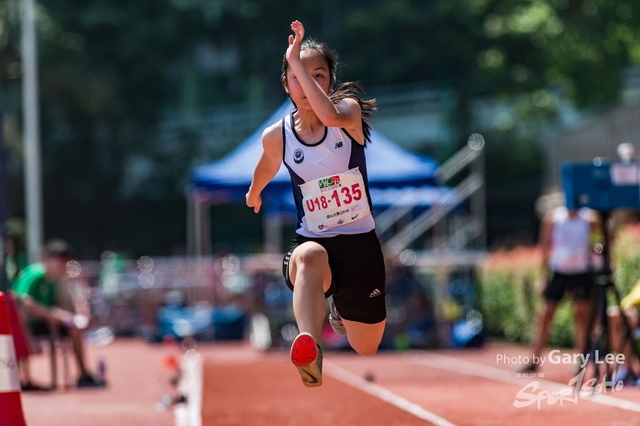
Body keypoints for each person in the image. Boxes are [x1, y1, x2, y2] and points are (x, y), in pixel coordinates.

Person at [246, 20, 386, 387]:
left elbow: (327, 115)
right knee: (308, 256)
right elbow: (267, 165)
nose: (307, 83)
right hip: (314, 239)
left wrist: (296, 61)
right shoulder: (278, 136)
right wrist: (254, 191)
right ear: (286, 84)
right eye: (297, 77)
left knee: (366, 346)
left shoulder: (348, 113)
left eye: (317, 75)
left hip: (360, 245)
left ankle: (339, 308)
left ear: (330, 81)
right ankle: (310, 348)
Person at [12, 239, 105, 388]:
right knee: (20, 330)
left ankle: (83, 374)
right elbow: (23, 301)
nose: (63, 266)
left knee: (75, 329)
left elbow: (65, 303)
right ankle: (23, 379)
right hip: (25, 324)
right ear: (48, 259)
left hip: (45, 323)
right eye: (60, 262)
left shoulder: (57, 280)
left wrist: (75, 316)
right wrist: (50, 314)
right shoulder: (34, 274)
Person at [522, 204, 601, 372]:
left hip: (581, 272)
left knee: (581, 317)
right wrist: (543, 277)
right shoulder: (553, 218)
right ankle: (534, 360)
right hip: (559, 272)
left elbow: (602, 240)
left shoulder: (590, 218)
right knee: (545, 315)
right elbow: (545, 248)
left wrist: (595, 250)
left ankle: (580, 359)